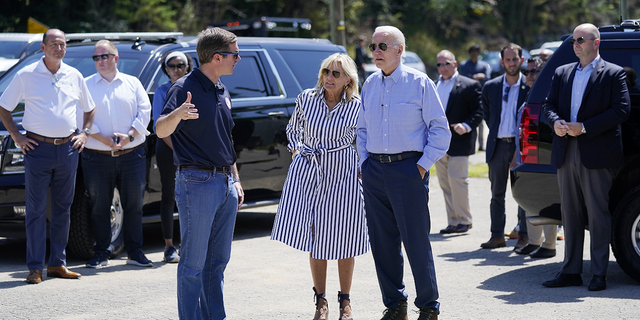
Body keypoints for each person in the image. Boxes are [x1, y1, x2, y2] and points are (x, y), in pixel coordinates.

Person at [357, 25, 450, 320]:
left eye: (382, 46)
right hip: (374, 172)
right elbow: (361, 129)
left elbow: (440, 129)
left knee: (416, 242)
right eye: (373, 46)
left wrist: (422, 166)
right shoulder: (369, 83)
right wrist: (364, 164)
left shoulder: (419, 82)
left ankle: (428, 307)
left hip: (409, 170)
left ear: (400, 50)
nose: (376, 52)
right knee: (382, 243)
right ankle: (395, 304)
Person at [271, 53, 368, 320]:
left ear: (348, 79)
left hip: (343, 171)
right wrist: (296, 151)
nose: (329, 77)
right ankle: (320, 300)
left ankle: (345, 301)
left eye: (336, 73)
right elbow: (292, 129)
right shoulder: (306, 98)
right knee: (316, 234)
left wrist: (363, 165)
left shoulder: (357, 106)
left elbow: (365, 139)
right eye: (326, 71)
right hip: (310, 169)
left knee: (345, 235)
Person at [156, 27, 244, 319]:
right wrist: (177, 114)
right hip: (197, 182)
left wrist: (236, 179)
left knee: (217, 263)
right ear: (217, 57)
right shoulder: (183, 88)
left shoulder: (221, 87)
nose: (238, 59)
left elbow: (225, 139)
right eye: (234, 54)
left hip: (225, 183)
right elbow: (160, 129)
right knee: (193, 265)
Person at [0, 29, 95, 284]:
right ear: (43, 47)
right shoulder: (26, 75)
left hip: (68, 150)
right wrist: (18, 138)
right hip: (37, 150)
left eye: (62, 44)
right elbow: (3, 108)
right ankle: (35, 268)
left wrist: (84, 133)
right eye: (54, 44)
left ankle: (57, 264)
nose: (59, 48)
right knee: (36, 210)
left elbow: (90, 108)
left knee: (63, 209)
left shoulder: (74, 75)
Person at [542, 23, 630, 291]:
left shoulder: (613, 73)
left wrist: (586, 126)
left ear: (596, 43)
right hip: (566, 149)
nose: (576, 44)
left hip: (596, 151)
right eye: (573, 40)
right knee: (570, 214)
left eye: (581, 39)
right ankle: (570, 271)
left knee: (598, 214)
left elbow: (622, 110)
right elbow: (548, 105)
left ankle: (599, 273)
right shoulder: (562, 72)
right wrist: (555, 122)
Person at [82, 40, 152, 268]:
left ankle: (135, 252)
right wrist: (101, 138)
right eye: (96, 57)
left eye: (104, 56)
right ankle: (102, 252)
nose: (100, 61)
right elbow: (77, 116)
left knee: (134, 206)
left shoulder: (132, 83)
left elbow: (145, 111)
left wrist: (129, 136)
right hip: (96, 156)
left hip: (132, 154)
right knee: (99, 207)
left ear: (115, 58)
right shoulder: (86, 85)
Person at [480, 43, 530, 250]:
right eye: (507, 60)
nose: (511, 63)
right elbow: (487, 115)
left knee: (523, 193)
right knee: (497, 194)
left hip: (521, 147)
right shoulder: (491, 87)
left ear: (521, 60)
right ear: (502, 62)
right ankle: (497, 235)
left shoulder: (529, 87)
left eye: (515, 59)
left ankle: (524, 235)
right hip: (498, 146)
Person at [434, 50, 482, 234]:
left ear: (455, 64)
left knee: (457, 181)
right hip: (439, 143)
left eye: (446, 63)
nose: (443, 68)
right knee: (445, 184)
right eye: (439, 64)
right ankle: (453, 221)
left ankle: (464, 220)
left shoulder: (469, 85)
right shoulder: (434, 84)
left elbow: (479, 112)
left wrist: (466, 125)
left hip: (460, 141)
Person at [153, 51, 194, 263]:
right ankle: (169, 246)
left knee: (189, 198)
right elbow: (160, 127)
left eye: (180, 65)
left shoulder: (195, 88)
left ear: (188, 67)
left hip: (192, 151)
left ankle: (187, 244)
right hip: (169, 149)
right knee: (169, 196)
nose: (176, 69)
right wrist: (179, 151)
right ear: (165, 69)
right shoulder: (161, 91)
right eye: (171, 66)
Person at [514, 57, 557, 258]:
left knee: (544, 195)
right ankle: (534, 241)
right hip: (526, 154)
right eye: (527, 71)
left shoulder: (548, 97)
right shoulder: (528, 95)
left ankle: (549, 245)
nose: (529, 75)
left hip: (543, 152)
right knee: (530, 197)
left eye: (534, 71)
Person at [459, 44, 491, 152]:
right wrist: (476, 77)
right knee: (469, 120)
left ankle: (482, 145)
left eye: (476, 51)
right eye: (472, 51)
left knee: (480, 120)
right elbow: (463, 78)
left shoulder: (483, 65)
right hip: (467, 95)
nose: (474, 53)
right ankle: (471, 145)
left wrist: (474, 77)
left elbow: (487, 79)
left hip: (480, 95)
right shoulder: (464, 65)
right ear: (469, 53)